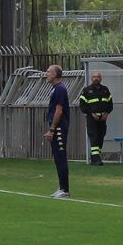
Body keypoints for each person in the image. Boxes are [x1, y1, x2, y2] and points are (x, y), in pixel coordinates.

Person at [43, 65, 70, 198]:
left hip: (59, 127)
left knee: (60, 156)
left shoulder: (60, 89)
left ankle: (65, 189)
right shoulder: (55, 88)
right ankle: (61, 186)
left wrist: (52, 129)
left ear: (55, 75)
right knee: (57, 157)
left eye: (49, 72)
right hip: (56, 127)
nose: (46, 73)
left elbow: (59, 110)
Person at [79, 71, 113, 166]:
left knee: (101, 137)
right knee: (93, 136)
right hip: (92, 118)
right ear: (91, 78)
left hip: (103, 118)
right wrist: (91, 113)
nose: (96, 78)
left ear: (101, 78)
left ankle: (95, 157)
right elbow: (82, 105)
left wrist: (107, 113)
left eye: (98, 77)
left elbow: (110, 103)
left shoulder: (105, 90)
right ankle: (96, 159)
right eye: (94, 77)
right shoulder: (87, 90)